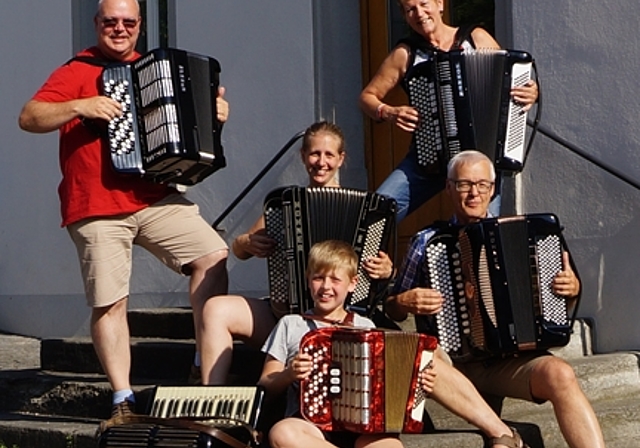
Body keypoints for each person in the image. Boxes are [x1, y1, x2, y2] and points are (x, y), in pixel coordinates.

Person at [18, 0, 229, 418]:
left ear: (140, 26)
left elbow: (185, 123)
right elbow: (29, 116)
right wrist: (81, 105)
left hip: (152, 196)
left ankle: (203, 371)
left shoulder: (155, 68)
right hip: (95, 203)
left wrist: (215, 114)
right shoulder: (76, 71)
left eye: (127, 22)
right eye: (110, 21)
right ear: (97, 24)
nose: (119, 28)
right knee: (111, 301)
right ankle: (122, 399)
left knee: (213, 255)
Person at [385, 150, 607, 448]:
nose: (473, 193)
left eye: (482, 185)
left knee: (560, 373)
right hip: (455, 364)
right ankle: (502, 433)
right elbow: (392, 310)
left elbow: (552, 309)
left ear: (492, 190)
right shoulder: (426, 241)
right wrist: (404, 301)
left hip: (507, 363)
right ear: (449, 188)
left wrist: (569, 290)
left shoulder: (525, 236)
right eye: (463, 184)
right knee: (424, 358)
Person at [198, 121, 393, 385]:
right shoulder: (285, 205)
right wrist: (246, 242)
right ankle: (213, 395)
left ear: (341, 159)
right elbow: (240, 250)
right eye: (314, 153)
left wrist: (387, 270)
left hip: (340, 321)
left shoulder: (366, 212)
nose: (320, 161)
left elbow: (379, 272)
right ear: (303, 156)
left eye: (329, 154)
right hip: (286, 317)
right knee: (215, 309)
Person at [359, 0, 539, 222]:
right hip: (429, 158)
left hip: (480, 162)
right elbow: (367, 97)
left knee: (484, 228)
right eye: (410, 9)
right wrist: (388, 112)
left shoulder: (476, 38)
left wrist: (531, 92)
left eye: (424, 4)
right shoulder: (406, 54)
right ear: (405, 16)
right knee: (374, 215)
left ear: (440, 4)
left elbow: (507, 81)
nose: (419, 13)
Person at [257, 240, 417, 448]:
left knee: (391, 445)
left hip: (362, 425)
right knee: (283, 433)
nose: (325, 286)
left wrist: (418, 382)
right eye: (318, 278)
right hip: (309, 425)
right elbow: (264, 387)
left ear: (352, 284)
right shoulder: (291, 324)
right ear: (308, 281)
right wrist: (290, 373)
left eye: (335, 279)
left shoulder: (365, 326)